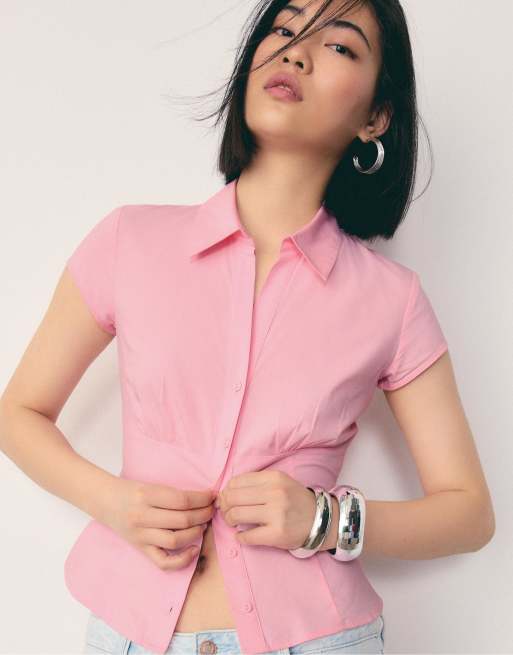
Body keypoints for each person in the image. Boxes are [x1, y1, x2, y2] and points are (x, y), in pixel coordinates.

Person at [0, 1, 495, 654]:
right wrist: (114, 503)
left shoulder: (391, 300)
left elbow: (468, 512)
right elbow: (18, 413)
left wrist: (324, 519)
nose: (295, 52)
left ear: (376, 117)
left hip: (319, 640)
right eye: (284, 29)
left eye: (339, 46)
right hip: (130, 635)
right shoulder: (130, 241)